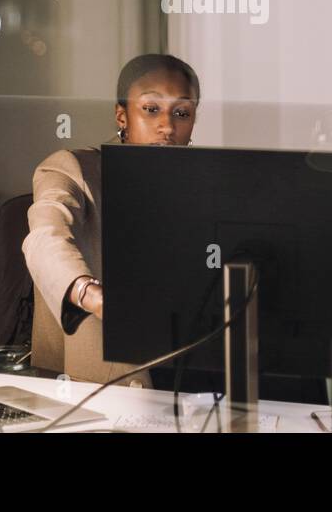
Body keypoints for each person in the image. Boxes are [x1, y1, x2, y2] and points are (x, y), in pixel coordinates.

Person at [22, 53, 200, 384]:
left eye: (182, 112)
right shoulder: (72, 169)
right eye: (151, 109)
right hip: (98, 389)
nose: (168, 126)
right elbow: (45, 237)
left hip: (191, 380)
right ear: (122, 116)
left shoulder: (205, 185)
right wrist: (91, 294)